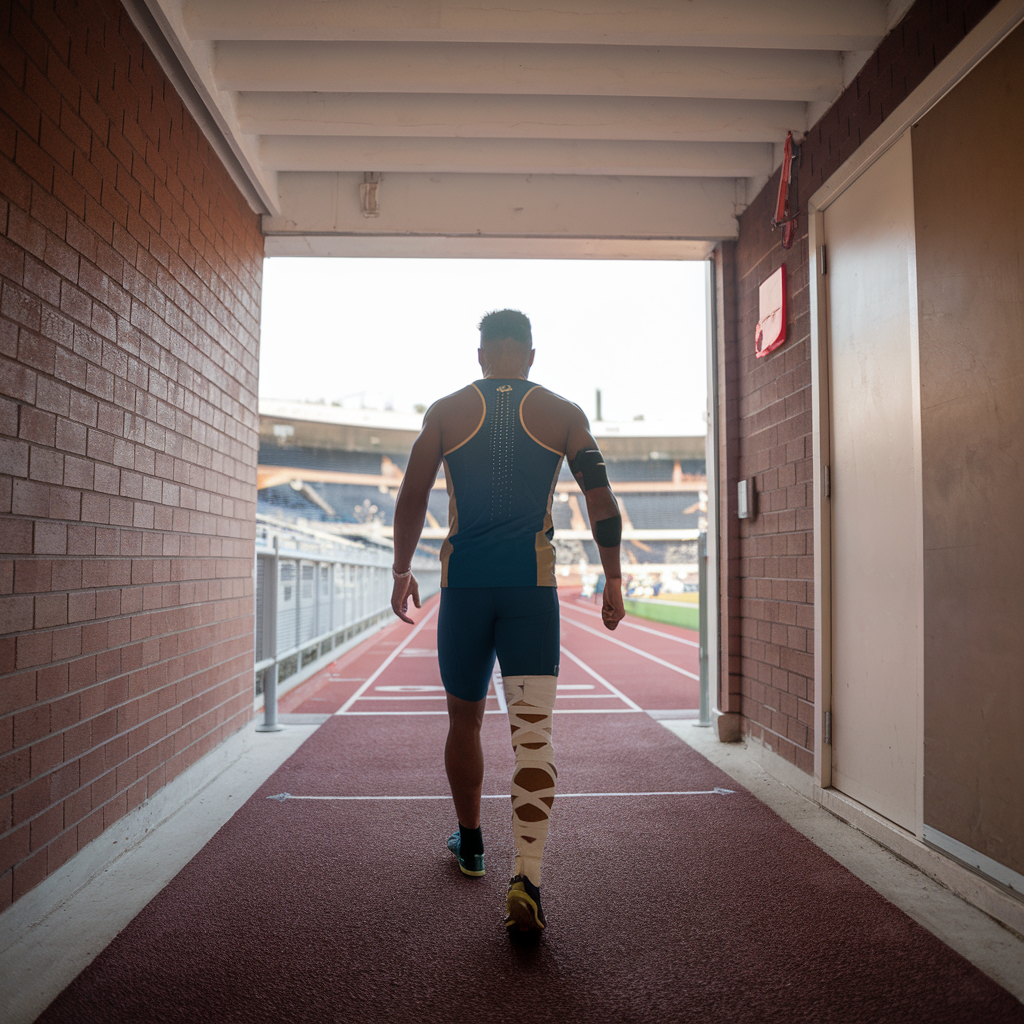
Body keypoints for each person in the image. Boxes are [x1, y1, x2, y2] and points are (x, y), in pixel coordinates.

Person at [389, 309, 625, 934]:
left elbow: (412, 493)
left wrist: (400, 568)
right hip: (532, 588)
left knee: (463, 719)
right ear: (530, 355)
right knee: (533, 733)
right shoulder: (563, 412)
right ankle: (528, 878)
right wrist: (615, 576)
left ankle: (471, 845)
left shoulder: (446, 411)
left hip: (465, 586)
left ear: (481, 356)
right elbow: (601, 499)